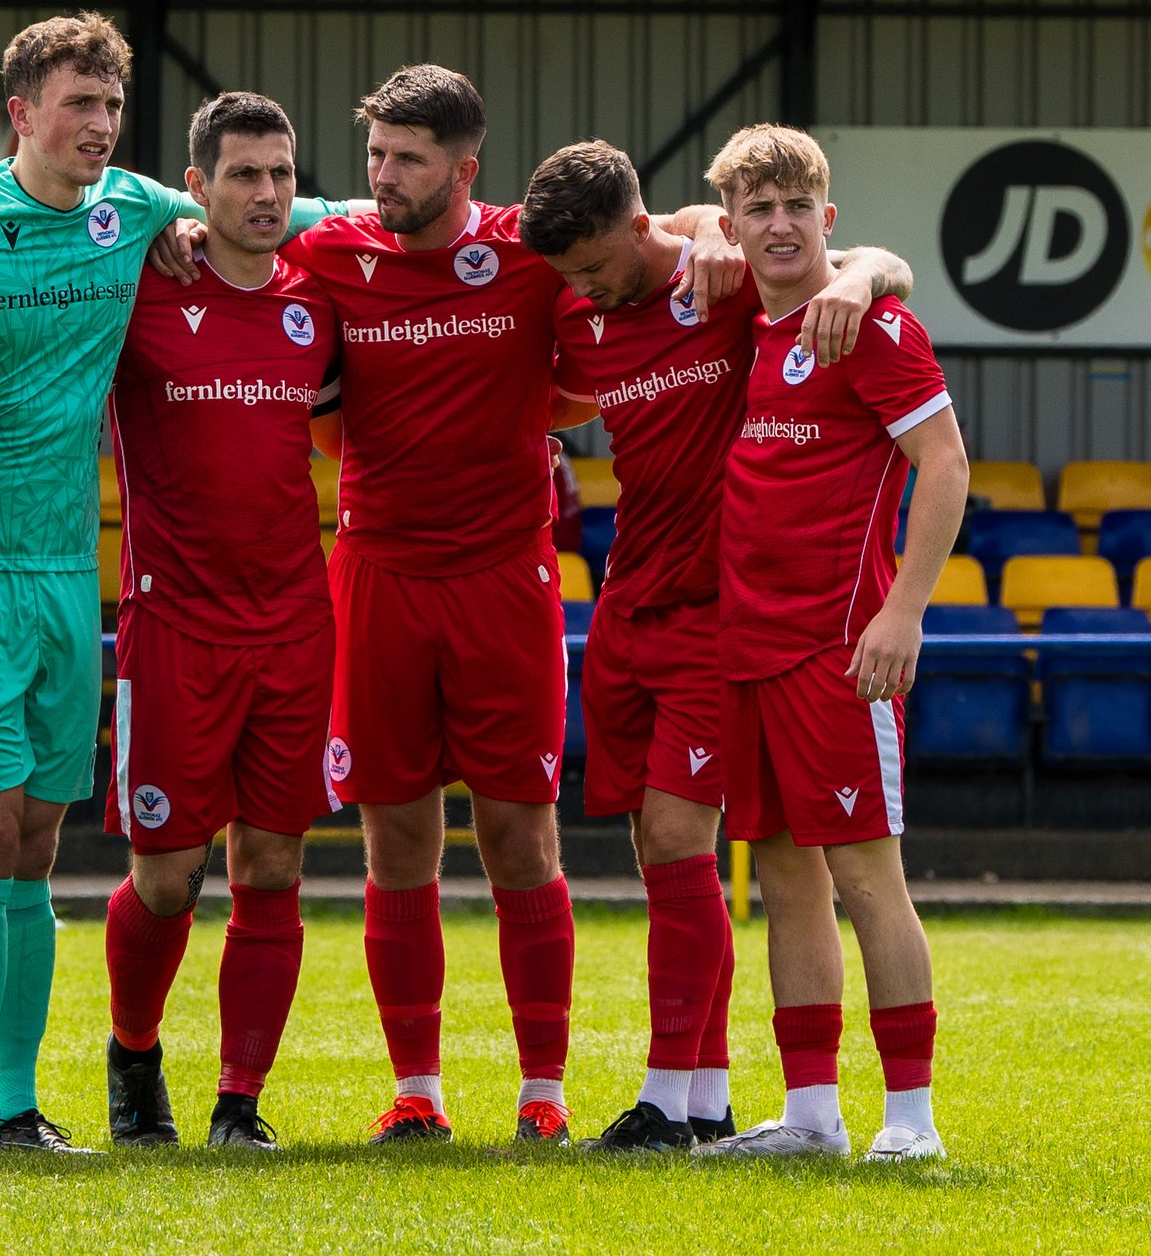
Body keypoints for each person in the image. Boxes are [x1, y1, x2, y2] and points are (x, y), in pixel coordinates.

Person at [0, 13, 347, 1155]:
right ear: (20, 115)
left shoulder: (140, 212)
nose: (97, 126)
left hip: (63, 573)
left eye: (109, 106)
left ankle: (18, 1105)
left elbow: (308, 213)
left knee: (39, 842)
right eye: (76, 105)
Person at [279, 64, 751, 1147]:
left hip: (505, 572)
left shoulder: (532, 259)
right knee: (394, 836)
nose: (383, 176)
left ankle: (542, 1090)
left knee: (516, 833)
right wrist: (172, 227)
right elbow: (235, 215)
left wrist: (708, 230)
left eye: (407, 158)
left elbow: (647, 240)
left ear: (463, 168)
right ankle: (416, 1088)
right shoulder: (332, 246)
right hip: (379, 569)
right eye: (376, 155)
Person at [518, 138, 912, 1151]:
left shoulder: (727, 281)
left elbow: (854, 261)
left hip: (724, 610)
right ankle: (704, 1098)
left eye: (598, 268)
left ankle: (671, 1095)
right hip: (629, 599)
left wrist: (866, 271)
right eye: (570, 277)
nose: (587, 292)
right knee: (661, 845)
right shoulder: (574, 310)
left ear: (643, 226)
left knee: (686, 835)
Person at [691, 125, 965, 1163]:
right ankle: (808, 1114)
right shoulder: (747, 330)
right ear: (732, 225)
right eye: (756, 208)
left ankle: (910, 1119)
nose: (776, 224)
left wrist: (903, 610)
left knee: (865, 879)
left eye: (794, 206)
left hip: (838, 653)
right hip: (747, 650)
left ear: (826, 218)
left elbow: (942, 464)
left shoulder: (872, 326)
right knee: (784, 877)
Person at [99, 93, 337, 1153]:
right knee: (165, 872)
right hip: (173, 626)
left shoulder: (316, 295)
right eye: (242, 175)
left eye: (280, 174)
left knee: (273, 865)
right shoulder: (144, 286)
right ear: (192, 187)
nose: (266, 194)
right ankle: (132, 1047)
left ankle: (239, 1100)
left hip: (293, 621)